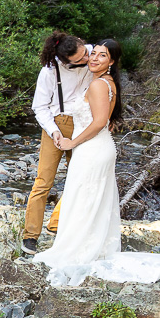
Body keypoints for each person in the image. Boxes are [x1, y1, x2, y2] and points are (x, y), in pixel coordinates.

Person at [32, 39, 160, 290]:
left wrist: (73, 142)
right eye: (90, 55)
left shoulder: (97, 83)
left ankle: (79, 249)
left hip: (91, 146)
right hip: (94, 145)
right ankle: (83, 244)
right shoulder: (101, 80)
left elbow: (98, 123)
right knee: (87, 196)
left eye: (98, 55)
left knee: (85, 196)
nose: (91, 58)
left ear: (112, 61)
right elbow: (61, 110)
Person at [21, 32, 93, 255]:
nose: (86, 59)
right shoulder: (50, 72)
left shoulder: (92, 53)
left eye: (85, 53)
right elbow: (39, 107)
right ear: (64, 61)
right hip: (57, 123)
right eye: (80, 59)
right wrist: (54, 132)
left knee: (79, 178)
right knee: (43, 181)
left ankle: (57, 222)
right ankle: (30, 236)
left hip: (85, 123)